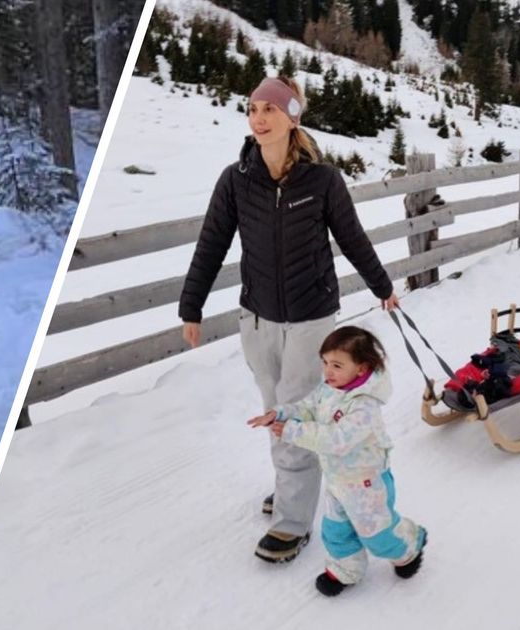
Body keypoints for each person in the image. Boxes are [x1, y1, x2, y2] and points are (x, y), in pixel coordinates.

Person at [178, 75, 399, 563]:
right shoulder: (236, 179)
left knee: (293, 413)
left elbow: (352, 238)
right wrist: (190, 305)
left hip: (311, 320)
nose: (258, 118)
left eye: (270, 110)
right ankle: (291, 488)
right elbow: (211, 244)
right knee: (274, 405)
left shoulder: (321, 180)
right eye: (253, 108)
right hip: (257, 319)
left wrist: (382, 287)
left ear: (292, 117)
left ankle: (294, 522)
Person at [248, 326, 427, 596]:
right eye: (325, 363)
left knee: (377, 535)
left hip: (366, 483)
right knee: (336, 531)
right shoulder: (329, 389)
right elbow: (308, 407)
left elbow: (337, 439)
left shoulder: (364, 405)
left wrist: (293, 431)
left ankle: (410, 544)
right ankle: (346, 570)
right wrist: (281, 413)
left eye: (337, 365)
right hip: (337, 480)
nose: (327, 371)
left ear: (361, 367)